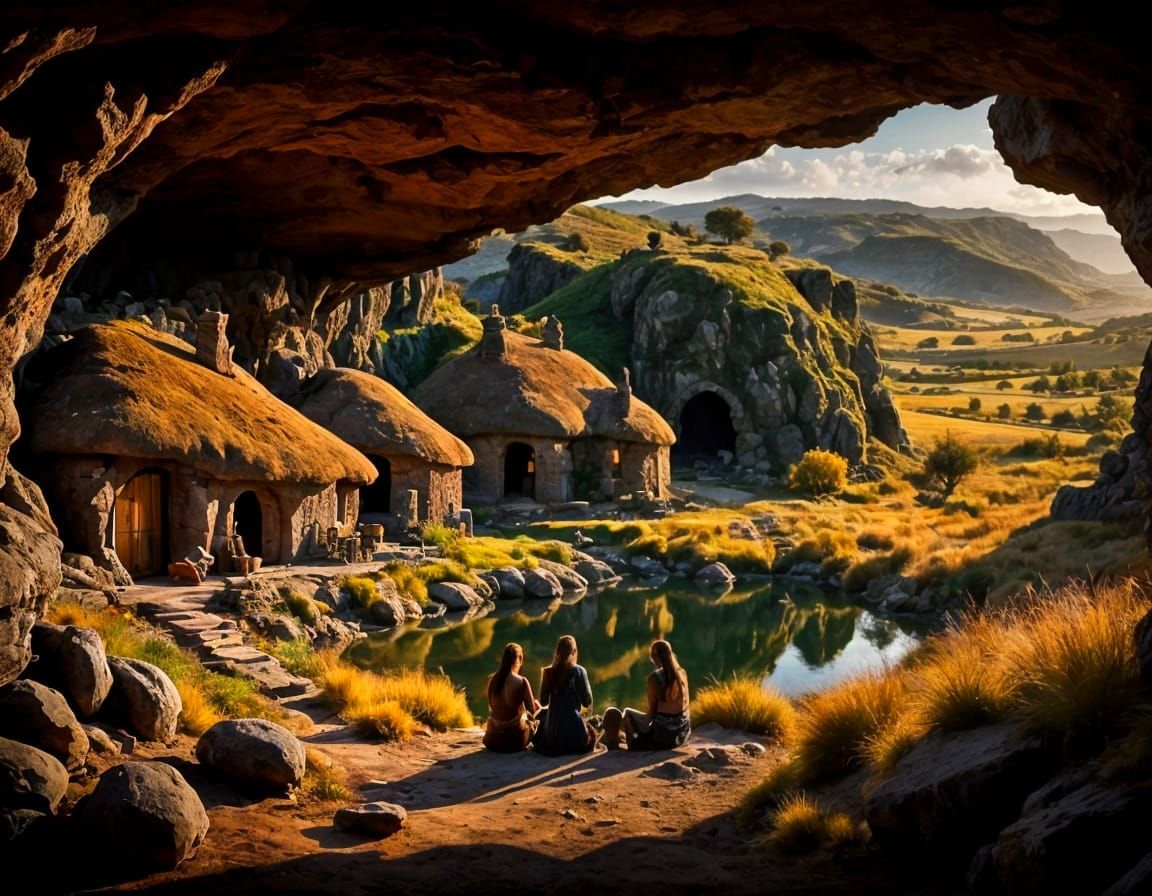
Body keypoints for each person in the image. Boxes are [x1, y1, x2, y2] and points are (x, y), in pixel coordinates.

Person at [602, 639, 691, 750]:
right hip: (682, 735)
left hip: (664, 737)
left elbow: (651, 715)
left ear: (654, 657)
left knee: (628, 713)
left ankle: (631, 745)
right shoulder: (682, 673)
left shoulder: (655, 678)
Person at [532, 635, 600, 756]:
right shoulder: (579, 671)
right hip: (575, 732)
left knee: (542, 716)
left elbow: (543, 702)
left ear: (557, 651)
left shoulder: (548, 672)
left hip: (553, 736)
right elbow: (587, 702)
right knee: (594, 726)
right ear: (574, 652)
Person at [482, 643, 540, 753]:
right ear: (520, 659)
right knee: (535, 722)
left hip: (493, 740)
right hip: (515, 741)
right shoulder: (522, 681)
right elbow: (532, 711)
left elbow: (491, 708)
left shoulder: (491, 679)